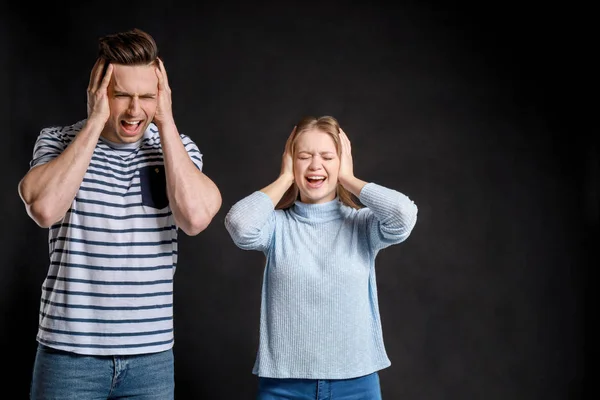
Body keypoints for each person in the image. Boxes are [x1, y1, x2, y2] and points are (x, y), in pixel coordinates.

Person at [18, 28, 222, 399]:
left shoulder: (177, 148)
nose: (134, 110)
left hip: (151, 359)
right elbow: (44, 209)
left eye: (147, 97)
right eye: (121, 95)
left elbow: (194, 218)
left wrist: (167, 122)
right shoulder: (57, 141)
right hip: (68, 356)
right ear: (98, 95)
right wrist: (95, 123)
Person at [224, 115, 418, 399]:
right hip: (284, 386)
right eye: (304, 156)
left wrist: (348, 179)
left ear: (342, 161)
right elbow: (239, 225)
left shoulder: (362, 225)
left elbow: (403, 215)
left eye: (327, 156)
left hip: (356, 383)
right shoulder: (276, 226)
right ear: (291, 160)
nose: (316, 165)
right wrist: (285, 178)